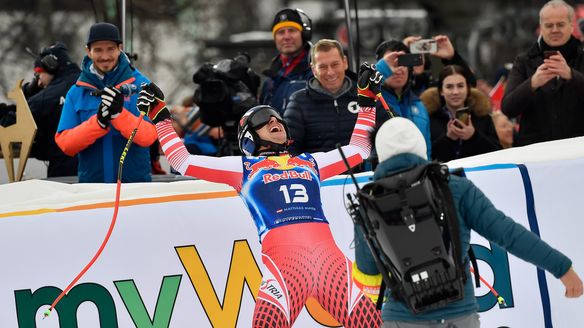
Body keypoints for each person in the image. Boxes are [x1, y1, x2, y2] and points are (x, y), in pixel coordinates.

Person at [138, 64, 384, 327]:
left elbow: (359, 149)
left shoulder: (310, 162)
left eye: (277, 118)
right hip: (286, 272)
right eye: (263, 121)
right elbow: (181, 160)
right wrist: (161, 118)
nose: (274, 121)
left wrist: (367, 102)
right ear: (249, 138)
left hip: (332, 268)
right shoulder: (243, 167)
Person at [353, 117, 583, 327]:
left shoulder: (368, 203)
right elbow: (507, 233)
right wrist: (561, 267)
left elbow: (368, 270)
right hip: (458, 314)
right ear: (420, 147)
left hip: (402, 317)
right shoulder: (454, 187)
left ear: (380, 154)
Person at [55, 22, 157, 183]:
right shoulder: (76, 92)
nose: (105, 56)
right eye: (98, 50)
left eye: (110, 49)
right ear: (88, 51)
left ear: (119, 48)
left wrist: (119, 115)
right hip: (93, 190)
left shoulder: (141, 85)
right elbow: (66, 144)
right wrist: (98, 123)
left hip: (135, 190)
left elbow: (149, 136)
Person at [502, 0, 584, 146]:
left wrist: (571, 75)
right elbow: (508, 108)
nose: (554, 30)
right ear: (541, 28)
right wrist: (533, 83)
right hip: (536, 152)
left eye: (560, 24)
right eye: (548, 25)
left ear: (572, 26)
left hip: (578, 148)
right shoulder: (524, 61)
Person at [0, 42, 79, 178]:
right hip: (93, 172)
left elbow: (13, 121)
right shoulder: (86, 81)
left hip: (64, 176)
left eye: (38, 73)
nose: (39, 82)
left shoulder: (46, 98)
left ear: (51, 66)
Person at [284, 39, 358, 155]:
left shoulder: (366, 96)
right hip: (318, 172)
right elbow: (288, 150)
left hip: (364, 172)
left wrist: (370, 162)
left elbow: (385, 135)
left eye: (335, 64)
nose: (330, 72)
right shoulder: (299, 102)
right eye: (323, 67)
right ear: (313, 70)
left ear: (345, 62)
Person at [420, 65, 501, 162]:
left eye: (460, 86)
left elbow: (497, 153)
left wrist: (473, 136)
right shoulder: (429, 119)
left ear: (467, 89)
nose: (455, 92)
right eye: (449, 87)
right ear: (441, 91)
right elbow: (425, 158)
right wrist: (448, 139)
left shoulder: (482, 116)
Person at [373, 40, 432, 160]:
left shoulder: (419, 105)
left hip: (419, 174)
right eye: (391, 64)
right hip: (382, 176)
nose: (398, 69)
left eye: (403, 62)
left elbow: (427, 151)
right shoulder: (371, 103)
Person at [259, 8, 313, 115]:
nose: (286, 37)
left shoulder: (319, 70)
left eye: (292, 30)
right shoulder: (269, 81)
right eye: (281, 32)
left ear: (304, 34)